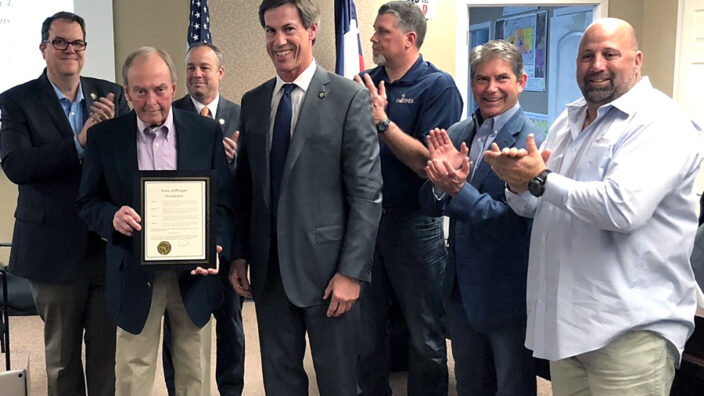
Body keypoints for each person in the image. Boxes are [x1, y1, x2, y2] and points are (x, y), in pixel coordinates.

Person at [484, 18, 701, 395]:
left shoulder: (662, 122)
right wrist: (518, 184)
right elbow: (539, 207)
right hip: (568, 327)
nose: (596, 64)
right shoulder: (568, 123)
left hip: (629, 334)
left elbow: (622, 209)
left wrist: (540, 180)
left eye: (609, 54)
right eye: (587, 56)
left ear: (637, 60)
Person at [228, 1, 382, 395]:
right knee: (280, 383)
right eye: (270, 30)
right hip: (268, 273)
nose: (278, 41)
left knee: (338, 383)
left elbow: (366, 194)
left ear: (311, 31)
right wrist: (241, 253)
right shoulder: (255, 101)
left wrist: (351, 272)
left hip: (330, 275)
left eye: (289, 29)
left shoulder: (349, 97)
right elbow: (245, 187)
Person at [76, 47, 235, 396]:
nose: (151, 101)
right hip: (133, 271)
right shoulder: (106, 138)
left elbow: (223, 202)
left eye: (160, 89)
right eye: (141, 91)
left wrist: (215, 243)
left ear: (174, 87)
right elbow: (87, 202)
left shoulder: (205, 131)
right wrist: (111, 217)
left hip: (193, 274)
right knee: (134, 374)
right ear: (127, 92)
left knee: (194, 372)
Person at [0, 11, 129, 396]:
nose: (70, 50)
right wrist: (79, 143)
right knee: (62, 360)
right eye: (60, 42)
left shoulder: (109, 94)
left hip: (105, 245)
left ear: (86, 50)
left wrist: (110, 138)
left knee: (107, 358)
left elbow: (126, 164)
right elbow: (16, 165)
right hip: (52, 250)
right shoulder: (17, 100)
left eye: (77, 43)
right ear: (44, 49)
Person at [419, 40, 539, 396]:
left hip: (506, 290)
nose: (490, 88)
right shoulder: (458, 134)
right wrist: (439, 183)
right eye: (481, 79)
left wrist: (459, 190)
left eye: (501, 78)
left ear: (521, 81)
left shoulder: (531, 142)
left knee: (511, 384)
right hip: (459, 288)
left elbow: (514, 222)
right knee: (470, 384)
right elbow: (428, 203)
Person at [354, 2, 462, 395]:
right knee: (366, 332)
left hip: (415, 224)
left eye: (382, 31)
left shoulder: (437, 86)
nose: (374, 38)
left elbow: (431, 164)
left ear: (409, 38)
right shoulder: (365, 82)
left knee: (425, 334)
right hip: (366, 223)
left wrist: (383, 123)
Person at [163, 41, 244, 396]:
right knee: (178, 326)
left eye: (205, 67)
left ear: (220, 73)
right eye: (191, 67)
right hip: (180, 238)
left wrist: (238, 160)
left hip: (224, 239)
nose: (197, 74)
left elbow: (253, 182)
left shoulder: (244, 115)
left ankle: (231, 389)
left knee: (230, 323)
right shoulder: (168, 111)